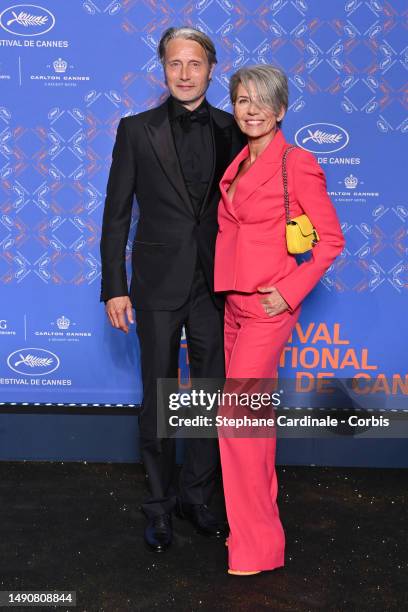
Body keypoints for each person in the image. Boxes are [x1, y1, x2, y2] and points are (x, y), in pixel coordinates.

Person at [99, 27, 245, 553]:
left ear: (212, 69)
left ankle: (197, 499)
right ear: (162, 69)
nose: (184, 74)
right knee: (158, 400)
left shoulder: (233, 129)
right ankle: (158, 507)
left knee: (209, 398)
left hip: (216, 286)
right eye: (174, 64)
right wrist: (114, 286)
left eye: (195, 64)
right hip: (156, 285)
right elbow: (116, 215)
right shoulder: (136, 130)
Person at [214, 65, 345, 575]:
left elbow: (330, 240)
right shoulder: (239, 161)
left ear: (281, 110)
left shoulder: (299, 161)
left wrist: (287, 293)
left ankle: (250, 547)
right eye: (242, 99)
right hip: (233, 304)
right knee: (256, 425)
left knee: (236, 419)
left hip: (270, 307)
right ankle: (263, 539)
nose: (250, 109)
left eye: (261, 101)